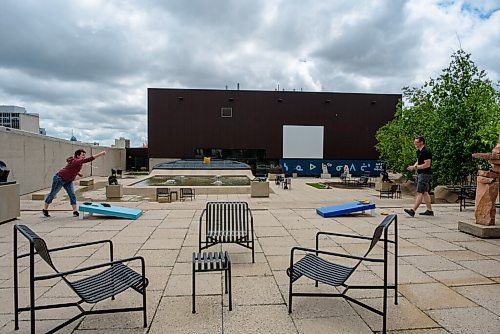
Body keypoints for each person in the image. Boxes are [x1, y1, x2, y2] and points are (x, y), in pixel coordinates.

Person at [43, 149, 106, 217]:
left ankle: (75, 211)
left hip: (68, 180)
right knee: (53, 193)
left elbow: (72, 169)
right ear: (77, 156)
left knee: (72, 194)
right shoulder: (76, 161)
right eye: (82, 155)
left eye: (84, 155)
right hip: (59, 179)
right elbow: (89, 159)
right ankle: (45, 209)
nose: (84, 157)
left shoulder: (76, 162)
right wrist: (101, 153)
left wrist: (78, 173)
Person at [404, 136, 433, 217]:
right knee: (425, 192)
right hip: (420, 173)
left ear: (421, 142)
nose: (415, 144)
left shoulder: (426, 151)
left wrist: (415, 167)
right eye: (415, 142)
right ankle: (429, 210)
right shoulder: (418, 152)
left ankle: (413, 210)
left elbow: (427, 165)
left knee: (419, 192)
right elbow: (418, 161)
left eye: (417, 142)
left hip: (425, 174)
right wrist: (413, 167)